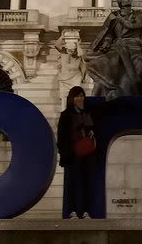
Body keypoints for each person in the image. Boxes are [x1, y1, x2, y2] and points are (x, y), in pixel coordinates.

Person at [85, 0, 142, 100]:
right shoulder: (113, 17)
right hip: (116, 48)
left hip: (135, 49)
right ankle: (106, 93)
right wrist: (107, 41)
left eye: (129, 1)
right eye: (125, 1)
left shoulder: (140, 16)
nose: (128, 2)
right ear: (120, 4)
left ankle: (137, 93)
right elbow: (108, 33)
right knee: (102, 64)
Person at [57, 86, 95, 219]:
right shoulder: (66, 115)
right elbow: (61, 137)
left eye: (81, 95)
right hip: (72, 154)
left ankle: (84, 211)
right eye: (77, 96)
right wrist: (63, 153)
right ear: (71, 99)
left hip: (86, 153)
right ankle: (71, 211)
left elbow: (92, 128)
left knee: (85, 182)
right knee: (72, 183)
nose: (80, 98)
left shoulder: (88, 113)